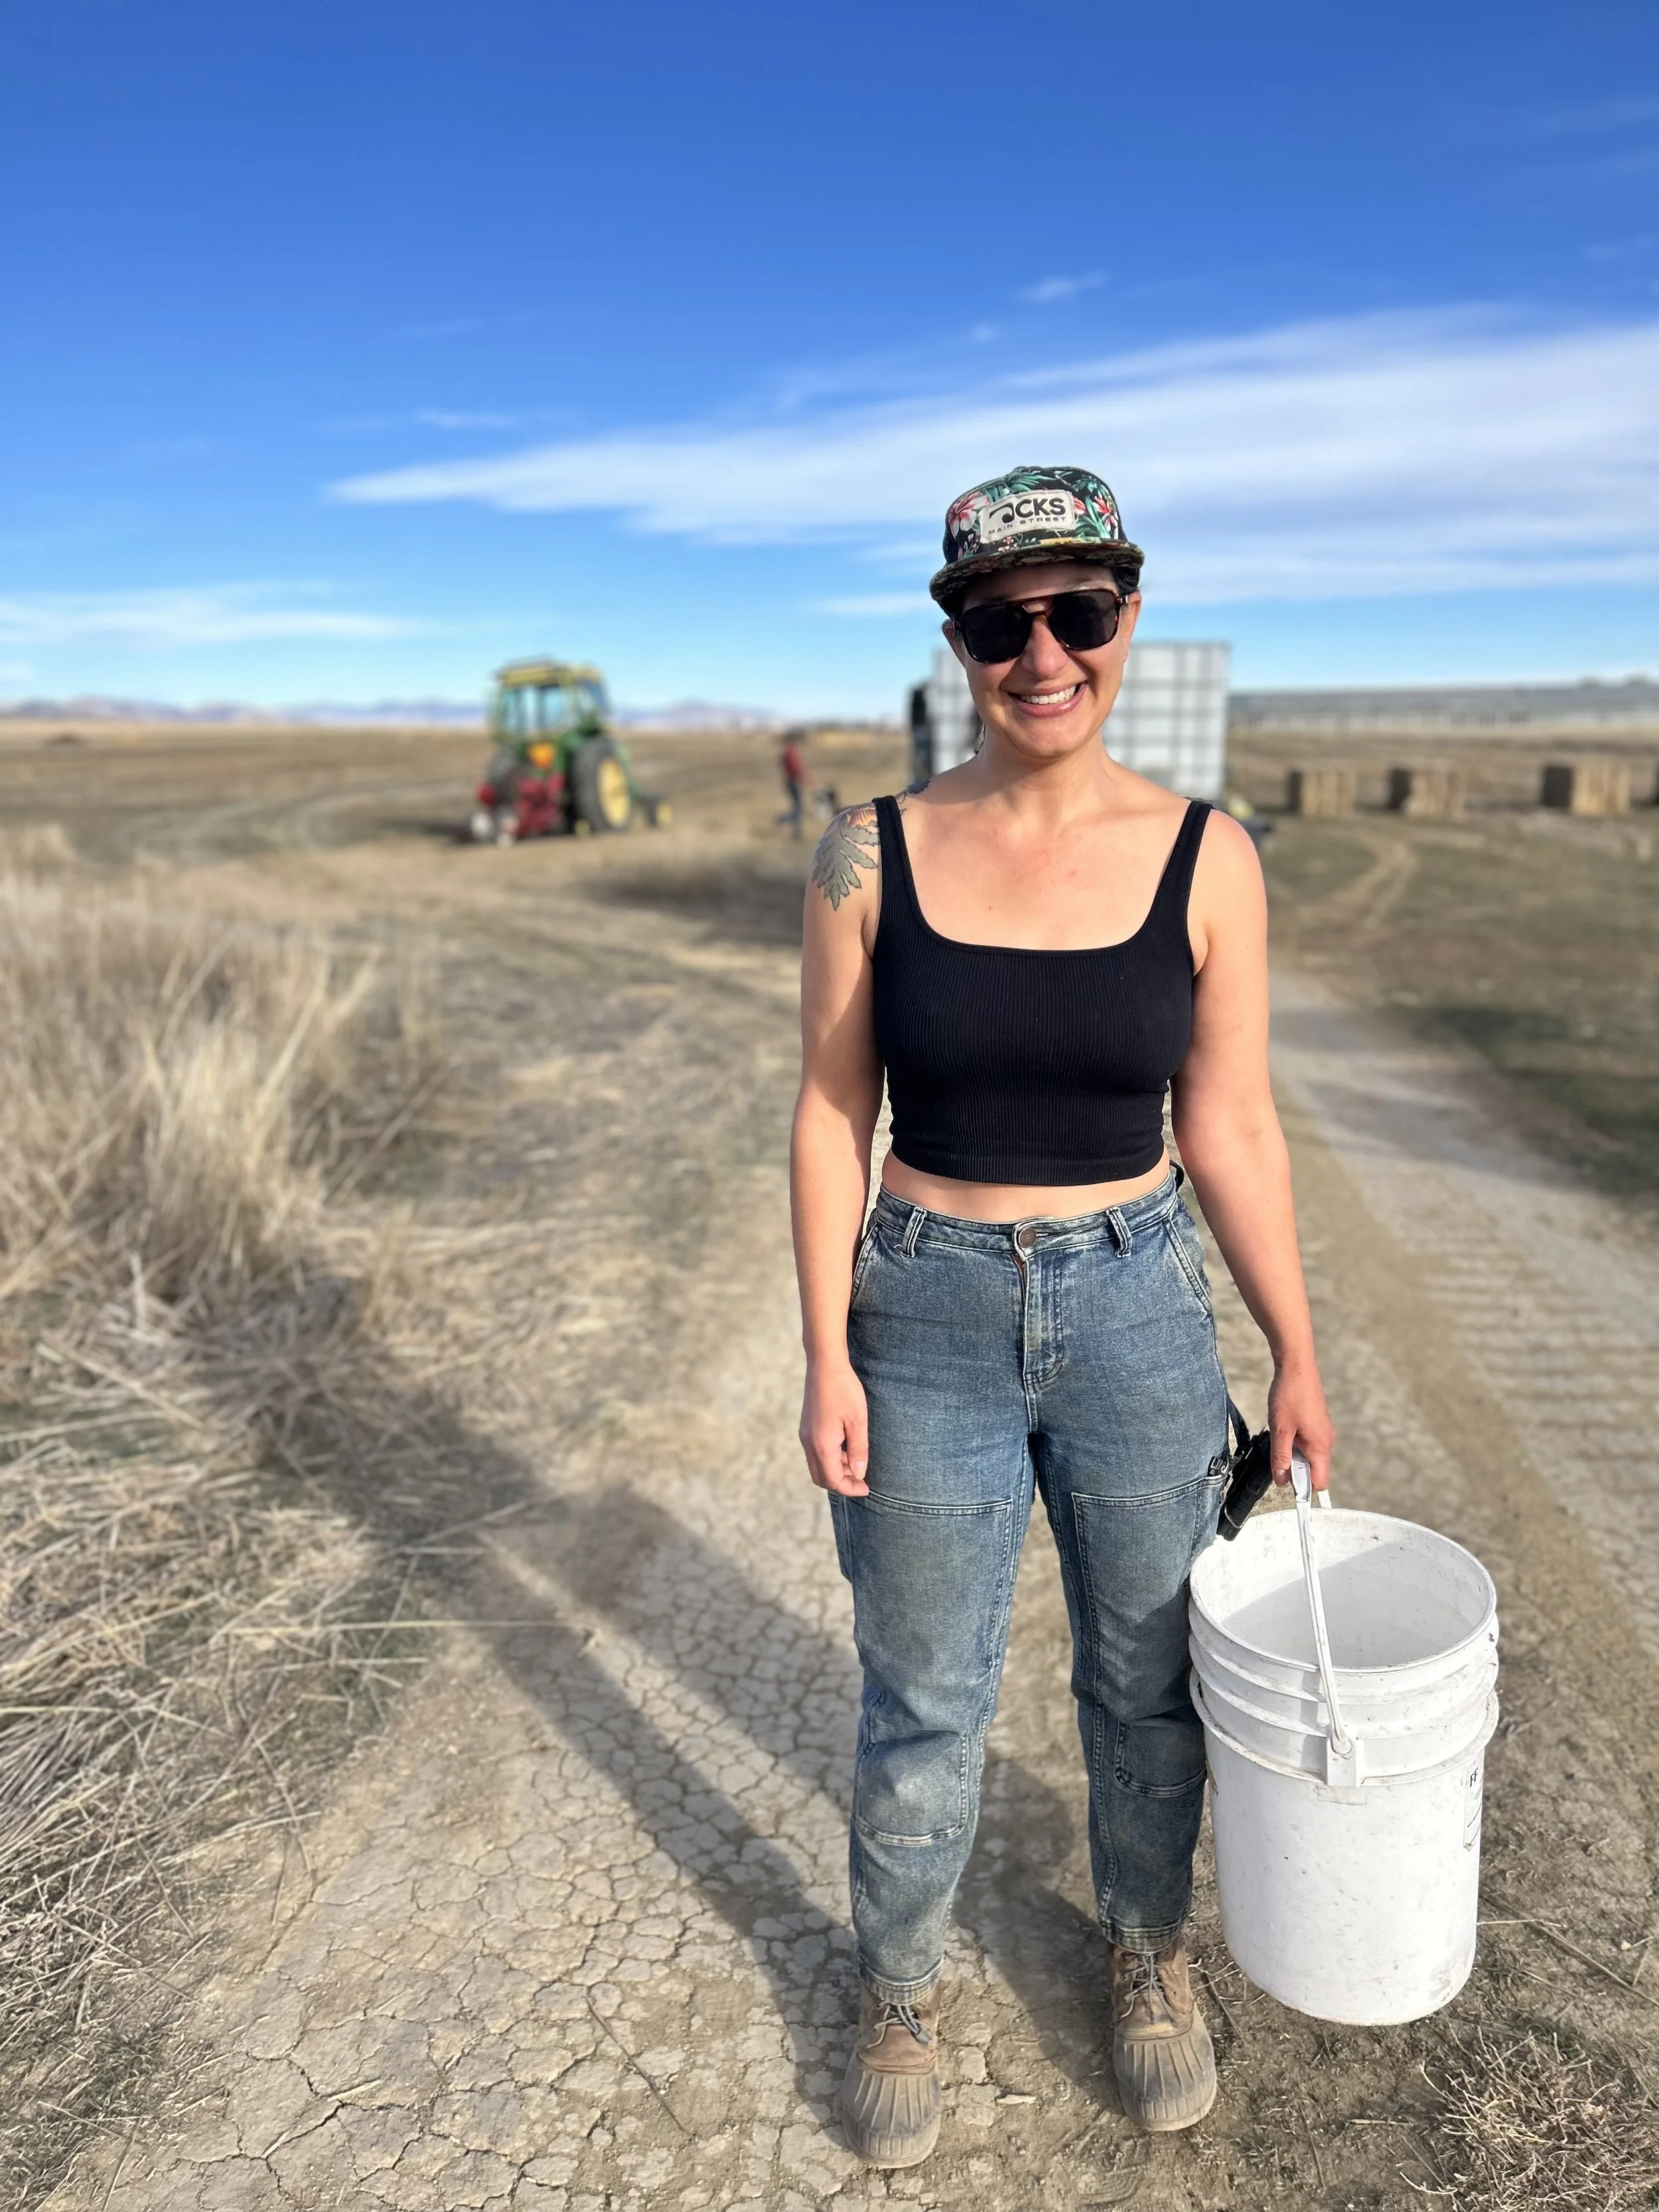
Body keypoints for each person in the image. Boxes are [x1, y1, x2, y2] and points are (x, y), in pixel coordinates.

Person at [789, 465, 1334, 2166]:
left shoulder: (1209, 856)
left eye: (1078, 612)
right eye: (1001, 620)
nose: (1043, 651)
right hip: (924, 1311)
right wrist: (826, 1354)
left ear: (1127, 621)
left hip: (1135, 1311)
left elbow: (1231, 1121)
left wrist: (1298, 1351)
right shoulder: (861, 849)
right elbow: (825, 1112)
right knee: (924, 1691)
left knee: (1145, 1679)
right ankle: (895, 1982)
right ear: (958, 641)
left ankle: (1145, 1949)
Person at [778, 727, 810, 838]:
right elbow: (796, 769)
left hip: (791, 782)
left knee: (797, 807)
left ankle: (796, 831)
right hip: (794, 782)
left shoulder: (787, 752)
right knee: (797, 808)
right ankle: (785, 822)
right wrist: (806, 779)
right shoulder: (791, 752)